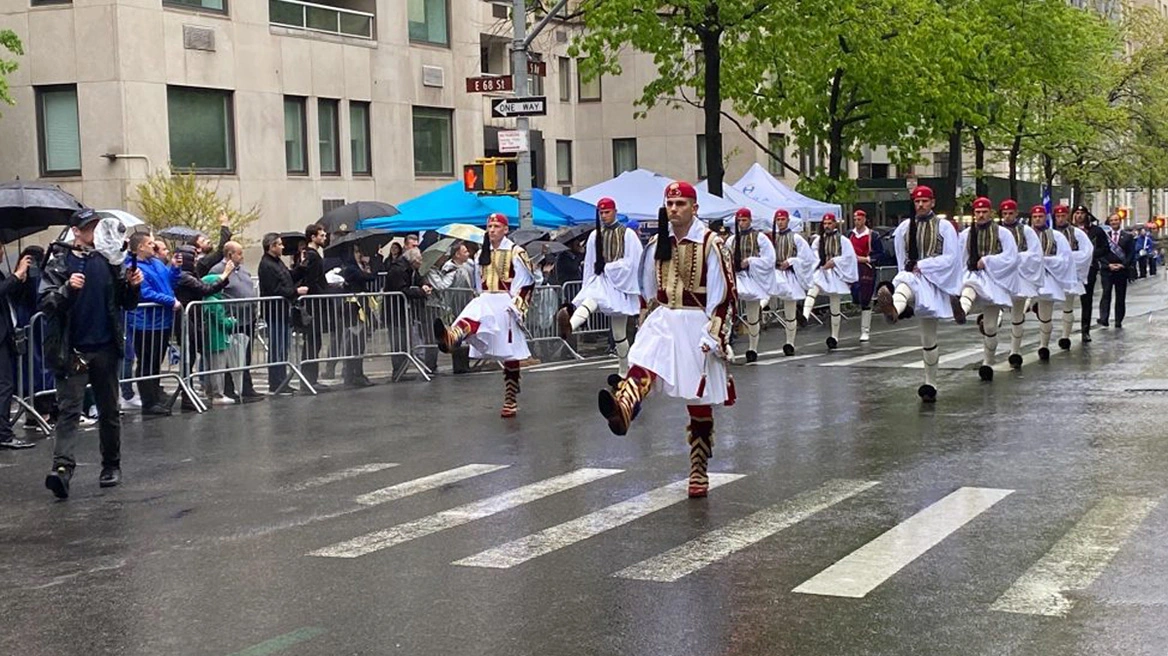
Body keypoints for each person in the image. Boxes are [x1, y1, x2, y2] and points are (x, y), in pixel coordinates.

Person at [597, 181, 736, 499]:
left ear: (694, 208)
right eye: (670, 203)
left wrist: (714, 333)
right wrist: (644, 318)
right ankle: (623, 410)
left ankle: (698, 467)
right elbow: (647, 285)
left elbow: (722, 293)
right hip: (664, 318)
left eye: (681, 203)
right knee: (643, 363)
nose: (674, 209)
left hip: (695, 323)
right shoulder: (657, 243)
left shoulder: (711, 244)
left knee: (698, 402)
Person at [41, 209, 144, 499]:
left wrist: (133, 286)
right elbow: (47, 303)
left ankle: (111, 465)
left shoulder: (109, 261)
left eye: (98, 226)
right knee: (69, 411)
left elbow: (126, 303)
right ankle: (62, 469)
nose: (95, 232)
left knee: (109, 410)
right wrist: (66, 289)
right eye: (89, 228)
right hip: (72, 349)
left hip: (105, 347)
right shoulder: (59, 262)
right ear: (76, 231)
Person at [434, 213, 535, 418]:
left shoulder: (516, 252)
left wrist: (518, 305)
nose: (492, 230)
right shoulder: (482, 254)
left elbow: (527, 281)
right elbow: (479, 282)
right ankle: (452, 337)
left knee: (510, 354)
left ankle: (510, 398)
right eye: (489, 226)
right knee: (475, 312)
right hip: (487, 297)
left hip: (506, 303)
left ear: (505, 229)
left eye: (496, 226)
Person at [874, 185, 963, 402]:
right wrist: (909, 268)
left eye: (924, 201)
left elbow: (951, 258)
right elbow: (901, 257)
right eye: (917, 201)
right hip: (913, 277)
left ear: (932, 202)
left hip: (934, 282)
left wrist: (923, 265)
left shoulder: (944, 227)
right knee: (904, 283)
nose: (920, 205)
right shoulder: (905, 227)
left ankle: (930, 383)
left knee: (928, 337)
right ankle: (894, 309)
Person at [556, 197, 645, 376]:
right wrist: (588, 282)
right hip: (601, 279)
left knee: (619, 334)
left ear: (615, 211)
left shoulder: (627, 234)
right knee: (591, 299)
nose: (604, 216)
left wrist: (610, 267)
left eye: (607, 212)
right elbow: (590, 262)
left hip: (621, 284)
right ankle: (570, 326)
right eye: (601, 213)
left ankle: (623, 371)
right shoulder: (595, 235)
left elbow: (633, 262)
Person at [955, 197, 1019, 382]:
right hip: (973, 275)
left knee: (990, 327)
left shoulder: (1003, 233)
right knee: (969, 287)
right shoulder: (966, 234)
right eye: (977, 212)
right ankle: (962, 311)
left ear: (990, 213)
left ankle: (988, 362)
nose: (980, 215)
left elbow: (1011, 257)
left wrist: (989, 261)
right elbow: (960, 257)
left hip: (994, 279)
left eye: (984, 212)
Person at [127, 232, 179, 416]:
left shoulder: (156, 263)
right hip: (145, 322)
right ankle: (148, 402)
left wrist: (174, 269)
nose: (154, 246)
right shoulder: (132, 266)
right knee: (147, 362)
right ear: (140, 246)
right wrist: (169, 301)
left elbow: (169, 282)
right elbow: (144, 293)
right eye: (150, 243)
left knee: (156, 361)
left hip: (161, 320)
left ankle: (155, 396)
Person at [719, 207, 775, 364]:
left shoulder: (760, 238)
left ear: (750, 220)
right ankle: (727, 343)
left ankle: (753, 348)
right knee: (728, 311)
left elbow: (769, 259)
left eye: (744, 220)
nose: (741, 223)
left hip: (752, 277)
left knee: (752, 315)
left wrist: (750, 261)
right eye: (739, 220)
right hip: (736, 278)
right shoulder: (731, 240)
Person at [211, 242, 262, 402]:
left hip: (247, 318)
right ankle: (229, 389)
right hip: (231, 319)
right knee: (230, 357)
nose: (242, 256)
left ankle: (246, 388)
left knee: (245, 355)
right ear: (230, 255)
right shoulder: (218, 270)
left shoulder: (243, 270)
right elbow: (214, 289)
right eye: (239, 254)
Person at [258, 233, 308, 394]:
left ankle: (282, 380)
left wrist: (301, 267)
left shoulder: (277, 262)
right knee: (277, 348)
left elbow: (288, 277)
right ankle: (276, 382)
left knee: (283, 347)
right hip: (274, 311)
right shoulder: (266, 265)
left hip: (283, 310)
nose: (282, 247)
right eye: (279, 244)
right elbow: (275, 289)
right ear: (271, 246)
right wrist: (296, 291)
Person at [997, 199, 1042, 369]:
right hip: (1000, 276)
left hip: (1019, 276)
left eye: (1010, 213)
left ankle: (1014, 352)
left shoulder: (1026, 231)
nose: (1007, 217)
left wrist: (1015, 258)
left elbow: (1035, 254)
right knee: (994, 307)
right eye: (1004, 214)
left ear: (1016, 213)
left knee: (1017, 316)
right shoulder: (996, 231)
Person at [803, 212, 858, 350]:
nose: (826, 226)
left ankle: (834, 336)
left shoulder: (843, 240)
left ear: (834, 224)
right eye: (825, 224)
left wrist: (834, 262)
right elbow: (813, 253)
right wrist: (819, 262)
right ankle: (804, 315)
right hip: (822, 270)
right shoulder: (818, 240)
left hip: (835, 273)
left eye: (829, 223)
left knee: (835, 305)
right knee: (813, 288)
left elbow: (849, 257)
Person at [0, 249, 37, 449]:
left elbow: (9, 296)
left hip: (6, 335)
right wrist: (15, 275)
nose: (2, 253)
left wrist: (21, 280)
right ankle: (3, 434)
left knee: (5, 385)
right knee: (4, 386)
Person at [1028, 206, 1075, 361]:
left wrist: (1046, 261)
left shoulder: (1055, 236)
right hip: (1027, 279)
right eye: (1035, 216)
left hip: (1047, 279)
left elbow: (1064, 258)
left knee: (1045, 315)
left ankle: (1044, 345)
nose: (1037, 219)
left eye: (1040, 216)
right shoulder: (1025, 235)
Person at [770, 209, 816, 356]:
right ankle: (763, 308)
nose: (780, 222)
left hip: (789, 275)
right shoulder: (772, 238)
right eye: (778, 220)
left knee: (789, 311)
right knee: (765, 294)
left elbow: (807, 259)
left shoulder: (796, 238)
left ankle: (790, 343)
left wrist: (791, 261)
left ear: (788, 220)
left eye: (782, 219)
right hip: (776, 274)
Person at [1052, 205, 1093, 351]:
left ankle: (1065, 336)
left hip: (1069, 274)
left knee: (1067, 306)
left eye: (1063, 216)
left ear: (1068, 216)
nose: (1060, 219)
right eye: (1058, 216)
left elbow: (1086, 253)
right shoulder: (1049, 233)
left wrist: (1067, 260)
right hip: (1052, 274)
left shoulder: (1077, 233)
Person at [295, 224, 331, 388]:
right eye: (321, 236)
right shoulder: (312, 256)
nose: (324, 238)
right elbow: (312, 281)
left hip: (314, 301)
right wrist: (324, 293)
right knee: (312, 342)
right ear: (313, 237)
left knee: (314, 342)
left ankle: (311, 379)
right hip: (313, 304)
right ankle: (309, 380)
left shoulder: (312, 255)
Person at [338, 245, 379, 387]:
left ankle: (358, 373)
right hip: (353, 308)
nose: (360, 254)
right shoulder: (350, 269)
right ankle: (351, 375)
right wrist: (372, 263)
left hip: (361, 306)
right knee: (353, 342)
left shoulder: (358, 267)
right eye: (356, 252)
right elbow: (369, 277)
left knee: (360, 342)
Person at [1072, 205, 1107, 343]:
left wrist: (1091, 254)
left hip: (1089, 269)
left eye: (1082, 213)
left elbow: (1105, 248)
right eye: (1077, 213)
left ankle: (1085, 330)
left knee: (1086, 300)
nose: (1079, 216)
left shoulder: (1096, 231)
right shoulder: (1069, 230)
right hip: (1070, 269)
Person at [849, 209, 884, 342]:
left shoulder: (872, 235)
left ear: (864, 219)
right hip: (853, 269)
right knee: (855, 295)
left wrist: (867, 259)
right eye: (855, 219)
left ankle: (865, 330)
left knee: (865, 298)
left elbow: (880, 253)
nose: (857, 222)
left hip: (866, 269)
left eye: (859, 219)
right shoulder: (850, 235)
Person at [1099, 212, 1135, 329]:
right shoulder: (1104, 236)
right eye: (1112, 220)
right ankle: (1104, 319)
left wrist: (1123, 265)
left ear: (1120, 221)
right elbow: (1100, 253)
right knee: (1106, 294)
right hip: (1108, 270)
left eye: (1116, 220)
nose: (1114, 222)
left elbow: (1131, 253)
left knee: (1120, 296)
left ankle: (1118, 320)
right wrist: (1107, 264)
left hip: (1121, 271)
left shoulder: (1128, 236)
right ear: (1109, 223)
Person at [194, 212, 232, 277]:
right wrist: (224, 225)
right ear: (198, 249)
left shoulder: (206, 258)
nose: (208, 241)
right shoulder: (203, 262)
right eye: (203, 241)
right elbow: (221, 251)